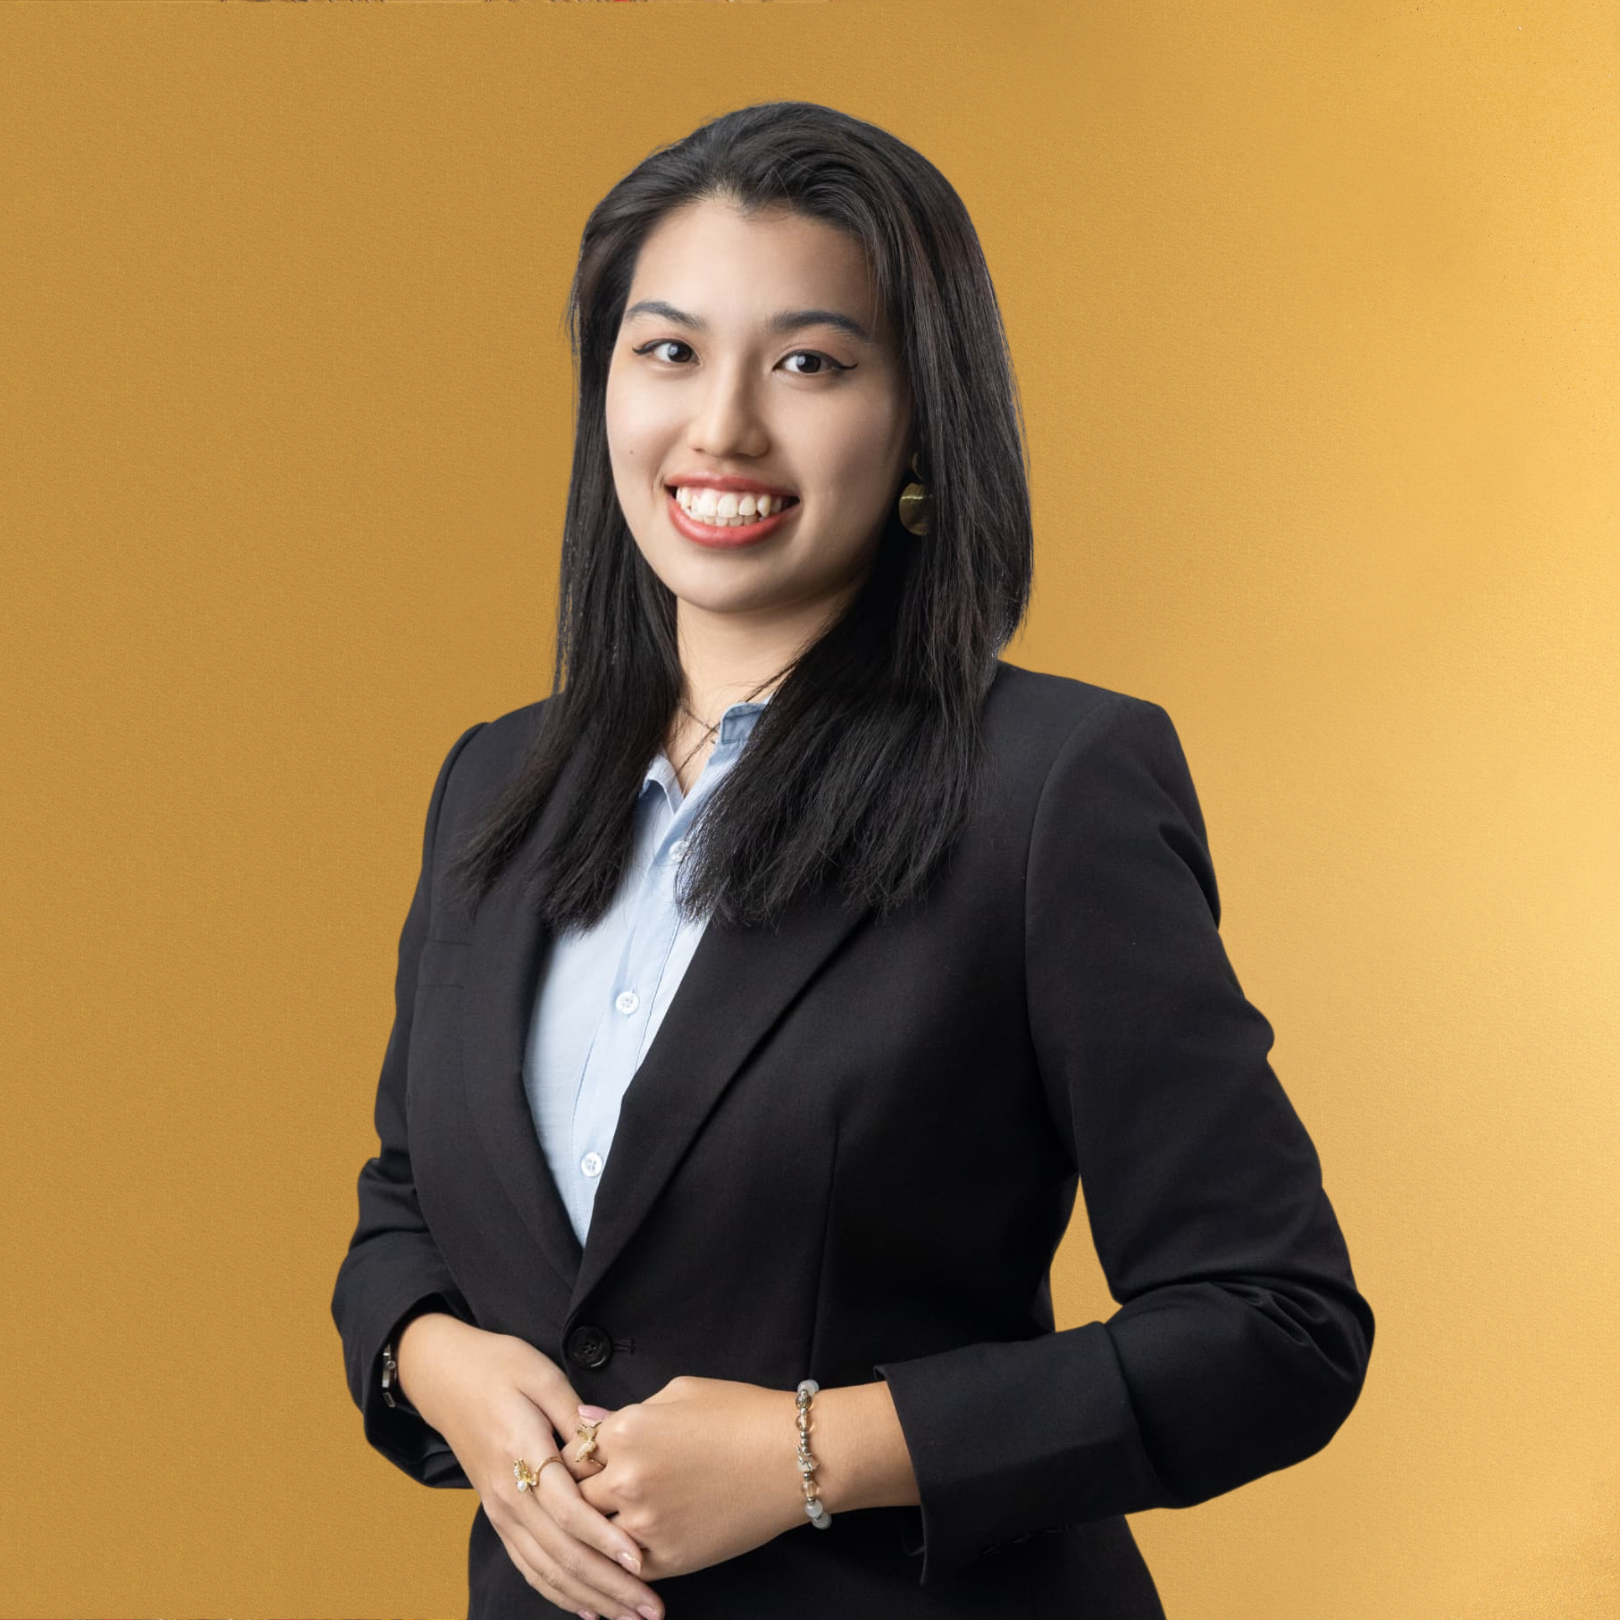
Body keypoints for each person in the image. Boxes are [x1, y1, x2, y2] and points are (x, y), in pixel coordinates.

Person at [330, 100, 1374, 1620]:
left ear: (919, 420)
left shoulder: (1050, 789)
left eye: (808, 362)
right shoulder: (499, 778)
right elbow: (406, 1204)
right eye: (667, 351)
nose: (723, 429)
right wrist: (445, 1366)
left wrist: (812, 1454)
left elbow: (1276, 1327)